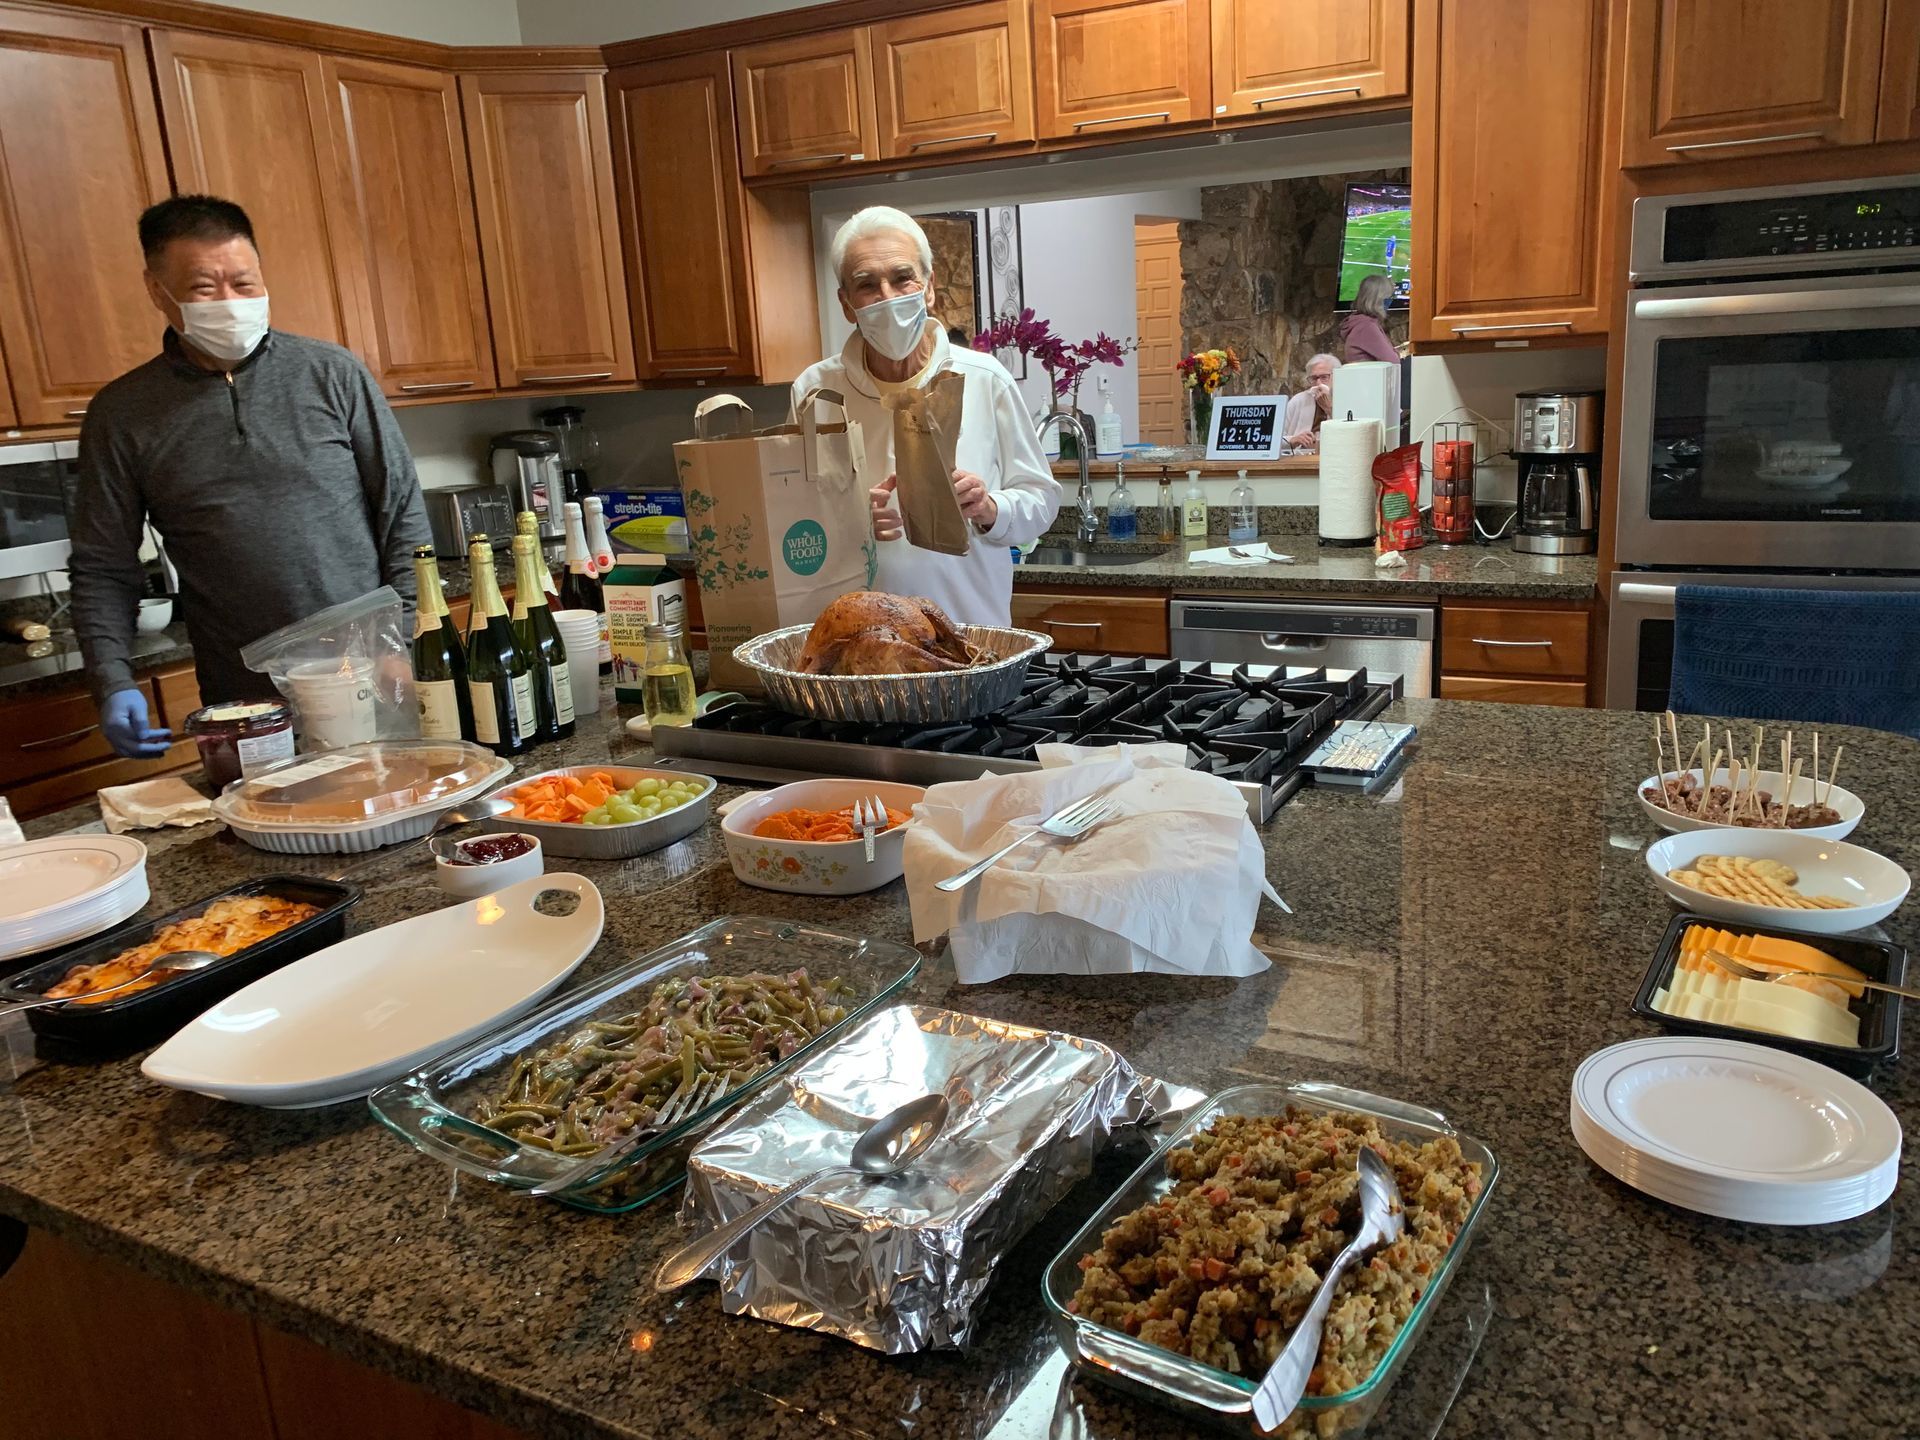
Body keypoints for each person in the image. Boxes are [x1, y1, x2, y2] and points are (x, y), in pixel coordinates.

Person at [68, 195, 430, 758]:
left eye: (244, 283)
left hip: (370, 674)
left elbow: (402, 513)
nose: (230, 302)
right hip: (247, 706)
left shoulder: (332, 375)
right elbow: (102, 566)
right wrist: (112, 679)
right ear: (156, 291)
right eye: (204, 288)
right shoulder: (122, 414)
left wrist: (404, 636)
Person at [792, 206, 1059, 626]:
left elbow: (1042, 501)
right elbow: (794, 520)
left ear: (929, 287)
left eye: (902, 278)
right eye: (867, 285)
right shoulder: (816, 393)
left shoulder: (985, 380)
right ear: (846, 304)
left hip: (970, 636)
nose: (888, 297)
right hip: (858, 644)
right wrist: (851, 523)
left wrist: (989, 507)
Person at [1282, 353, 1342, 451]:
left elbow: (1352, 435)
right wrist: (1293, 439)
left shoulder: (1346, 400)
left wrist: (1329, 409)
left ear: (1336, 377)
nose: (1318, 383)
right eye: (1314, 378)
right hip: (1300, 460)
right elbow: (1275, 440)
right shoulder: (1298, 401)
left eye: (1324, 377)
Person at [1340, 275, 1400, 366]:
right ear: (1379, 300)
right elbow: (1393, 361)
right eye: (1389, 298)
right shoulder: (1366, 327)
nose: (1390, 302)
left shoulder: (1363, 323)